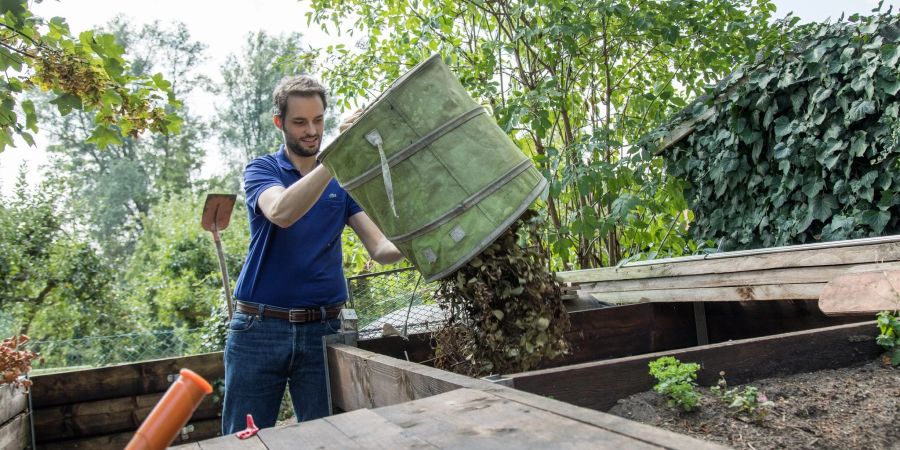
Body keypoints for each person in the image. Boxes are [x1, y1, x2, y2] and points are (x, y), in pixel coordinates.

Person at [222, 75, 404, 434]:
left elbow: (381, 248)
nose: (312, 130)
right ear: (280, 123)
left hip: (323, 331)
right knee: (242, 441)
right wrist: (335, 158)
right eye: (300, 122)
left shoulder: (341, 182)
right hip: (260, 330)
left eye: (319, 120)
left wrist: (430, 238)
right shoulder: (263, 170)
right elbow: (282, 213)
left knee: (329, 439)